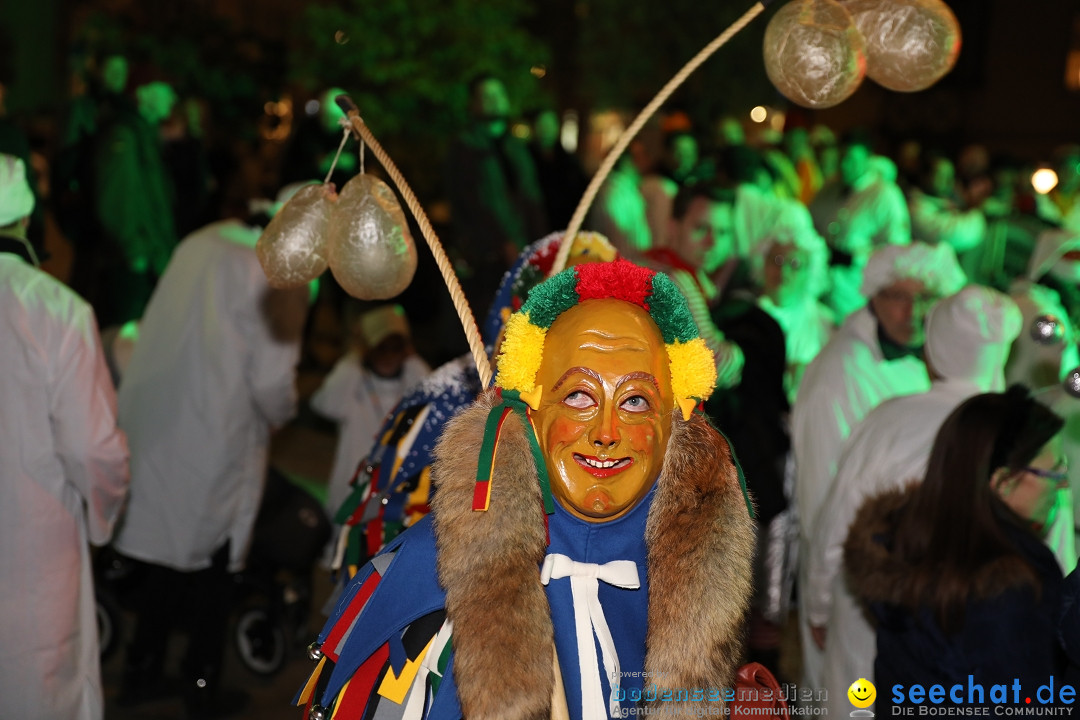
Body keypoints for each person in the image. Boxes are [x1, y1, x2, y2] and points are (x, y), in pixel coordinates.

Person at [296, 260, 755, 720]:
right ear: (530, 411)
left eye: (635, 401)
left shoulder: (694, 574)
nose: (607, 432)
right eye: (579, 396)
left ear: (672, 422)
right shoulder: (428, 571)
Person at [112, 204, 308, 715]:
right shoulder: (282, 267)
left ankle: (142, 670)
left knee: (167, 555)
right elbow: (271, 384)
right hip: (220, 438)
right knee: (213, 567)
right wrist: (286, 409)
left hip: (163, 423)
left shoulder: (200, 241)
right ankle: (202, 685)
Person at [804, 286, 1024, 715]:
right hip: (974, 639)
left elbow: (838, 526)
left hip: (870, 620)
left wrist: (818, 606)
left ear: (933, 349)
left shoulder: (890, 420)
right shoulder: (1019, 438)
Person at [791, 241, 965, 691]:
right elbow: (821, 497)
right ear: (871, 297)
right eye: (897, 296)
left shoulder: (923, 360)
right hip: (855, 578)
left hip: (904, 579)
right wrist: (823, 600)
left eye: (924, 297)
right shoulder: (840, 376)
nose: (912, 311)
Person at [0, 153, 130, 720]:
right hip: (33, 555)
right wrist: (102, 520)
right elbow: (94, 449)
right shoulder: (55, 310)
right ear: (26, 220)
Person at [845, 388, 1070, 710]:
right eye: (1054, 471)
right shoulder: (1008, 594)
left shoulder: (906, 547)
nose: (1061, 484)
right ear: (1004, 482)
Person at [311, 304, 431, 516]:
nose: (389, 355)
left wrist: (411, 356)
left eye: (397, 347)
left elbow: (431, 395)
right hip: (353, 487)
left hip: (395, 490)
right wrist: (355, 356)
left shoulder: (411, 379)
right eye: (381, 347)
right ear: (368, 350)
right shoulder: (354, 380)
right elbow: (324, 405)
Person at [445, 74, 547, 310]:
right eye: (486, 96)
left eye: (498, 95)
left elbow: (531, 199)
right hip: (484, 260)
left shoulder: (516, 148)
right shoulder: (465, 148)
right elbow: (472, 202)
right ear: (473, 103)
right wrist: (502, 242)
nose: (494, 101)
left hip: (523, 253)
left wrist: (541, 246)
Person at [92, 66, 179, 326]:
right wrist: (136, 254)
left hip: (147, 263)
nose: (172, 99)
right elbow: (115, 199)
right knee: (126, 345)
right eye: (165, 91)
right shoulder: (125, 136)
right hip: (134, 268)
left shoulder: (142, 134)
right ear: (142, 93)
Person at [809, 131, 911, 319]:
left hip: (856, 295)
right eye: (841, 158)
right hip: (821, 290)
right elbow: (810, 225)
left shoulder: (884, 195)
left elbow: (897, 248)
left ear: (868, 159)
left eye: (851, 159)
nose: (844, 165)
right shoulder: (829, 189)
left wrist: (853, 257)